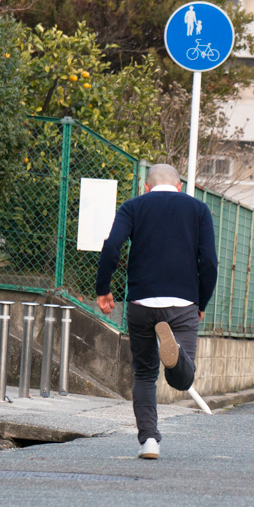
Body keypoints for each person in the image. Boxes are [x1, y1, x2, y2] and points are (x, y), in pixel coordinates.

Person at [95, 164, 218, 459]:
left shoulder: (133, 206)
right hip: (182, 304)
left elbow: (112, 246)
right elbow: (209, 262)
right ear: (179, 187)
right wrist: (202, 302)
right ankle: (173, 351)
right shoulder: (198, 210)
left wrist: (103, 288)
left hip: (141, 304)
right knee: (181, 379)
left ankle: (149, 441)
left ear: (146, 188)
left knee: (145, 374)